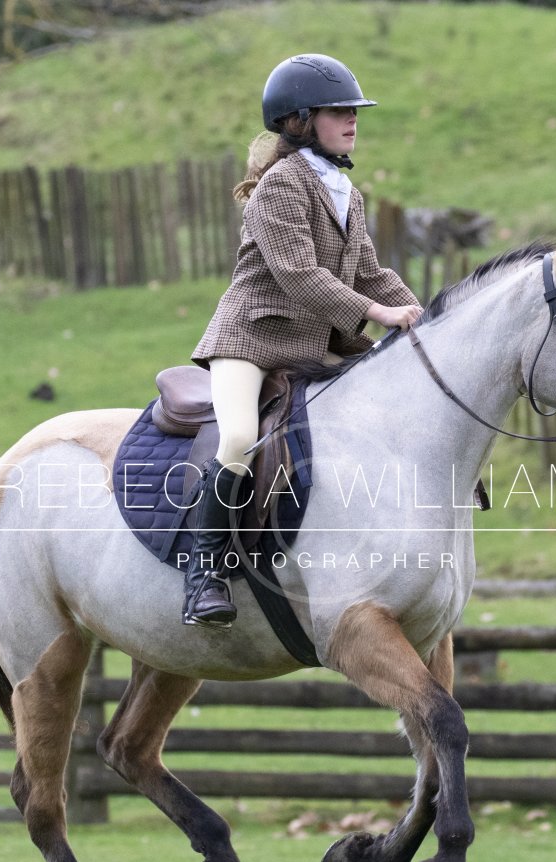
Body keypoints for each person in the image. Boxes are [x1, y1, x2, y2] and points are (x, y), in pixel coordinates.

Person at [184, 53, 423, 628]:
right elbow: (298, 274)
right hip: (251, 338)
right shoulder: (279, 186)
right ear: (298, 121)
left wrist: (422, 314)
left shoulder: (346, 192)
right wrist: (376, 313)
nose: (352, 119)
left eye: (354, 111)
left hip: (314, 346)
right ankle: (203, 574)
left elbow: (369, 272)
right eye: (338, 111)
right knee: (239, 438)